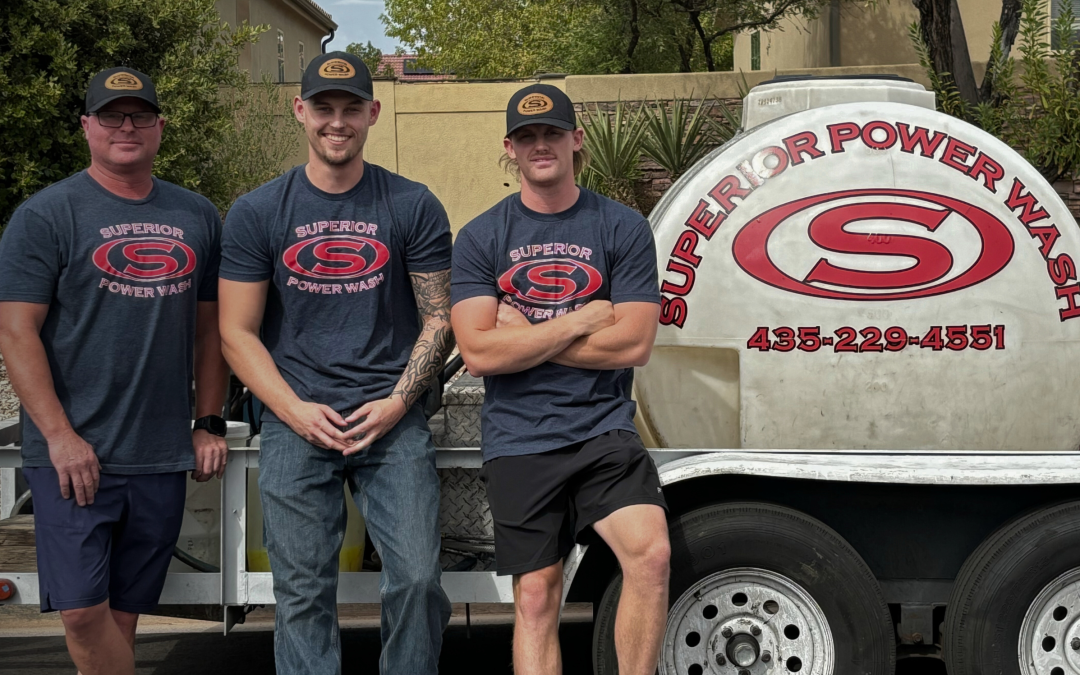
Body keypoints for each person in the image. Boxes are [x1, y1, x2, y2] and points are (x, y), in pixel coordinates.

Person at [217, 51, 453, 675]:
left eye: (352, 108)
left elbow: (439, 317)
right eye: (324, 107)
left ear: (373, 113)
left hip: (391, 422)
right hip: (297, 422)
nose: (337, 121)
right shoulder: (258, 212)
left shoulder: (411, 204)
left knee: (419, 581)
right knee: (301, 593)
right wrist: (292, 411)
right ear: (300, 111)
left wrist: (399, 401)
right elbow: (236, 333)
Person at [0, 67, 229, 675]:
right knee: (80, 611)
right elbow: (15, 331)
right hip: (73, 454)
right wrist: (58, 436)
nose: (127, 127)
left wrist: (208, 421)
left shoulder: (199, 215)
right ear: (86, 127)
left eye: (141, 116)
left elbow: (213, 331)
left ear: (159, 127)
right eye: (111, 115)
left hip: (159, 450)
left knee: (125, 612)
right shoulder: (45, 214)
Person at [450, 83, 672, 675]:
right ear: (510, 148)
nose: (540, 144)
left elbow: (635, 343)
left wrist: (525, 336)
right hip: (519, 438)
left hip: (602, 430)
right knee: (537, 594)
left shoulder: (621, 228)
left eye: (552, 133)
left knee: (650, 557)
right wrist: (581, 319)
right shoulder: (481, 237)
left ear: (577, 140)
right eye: (528, 136)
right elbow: (477, 352)